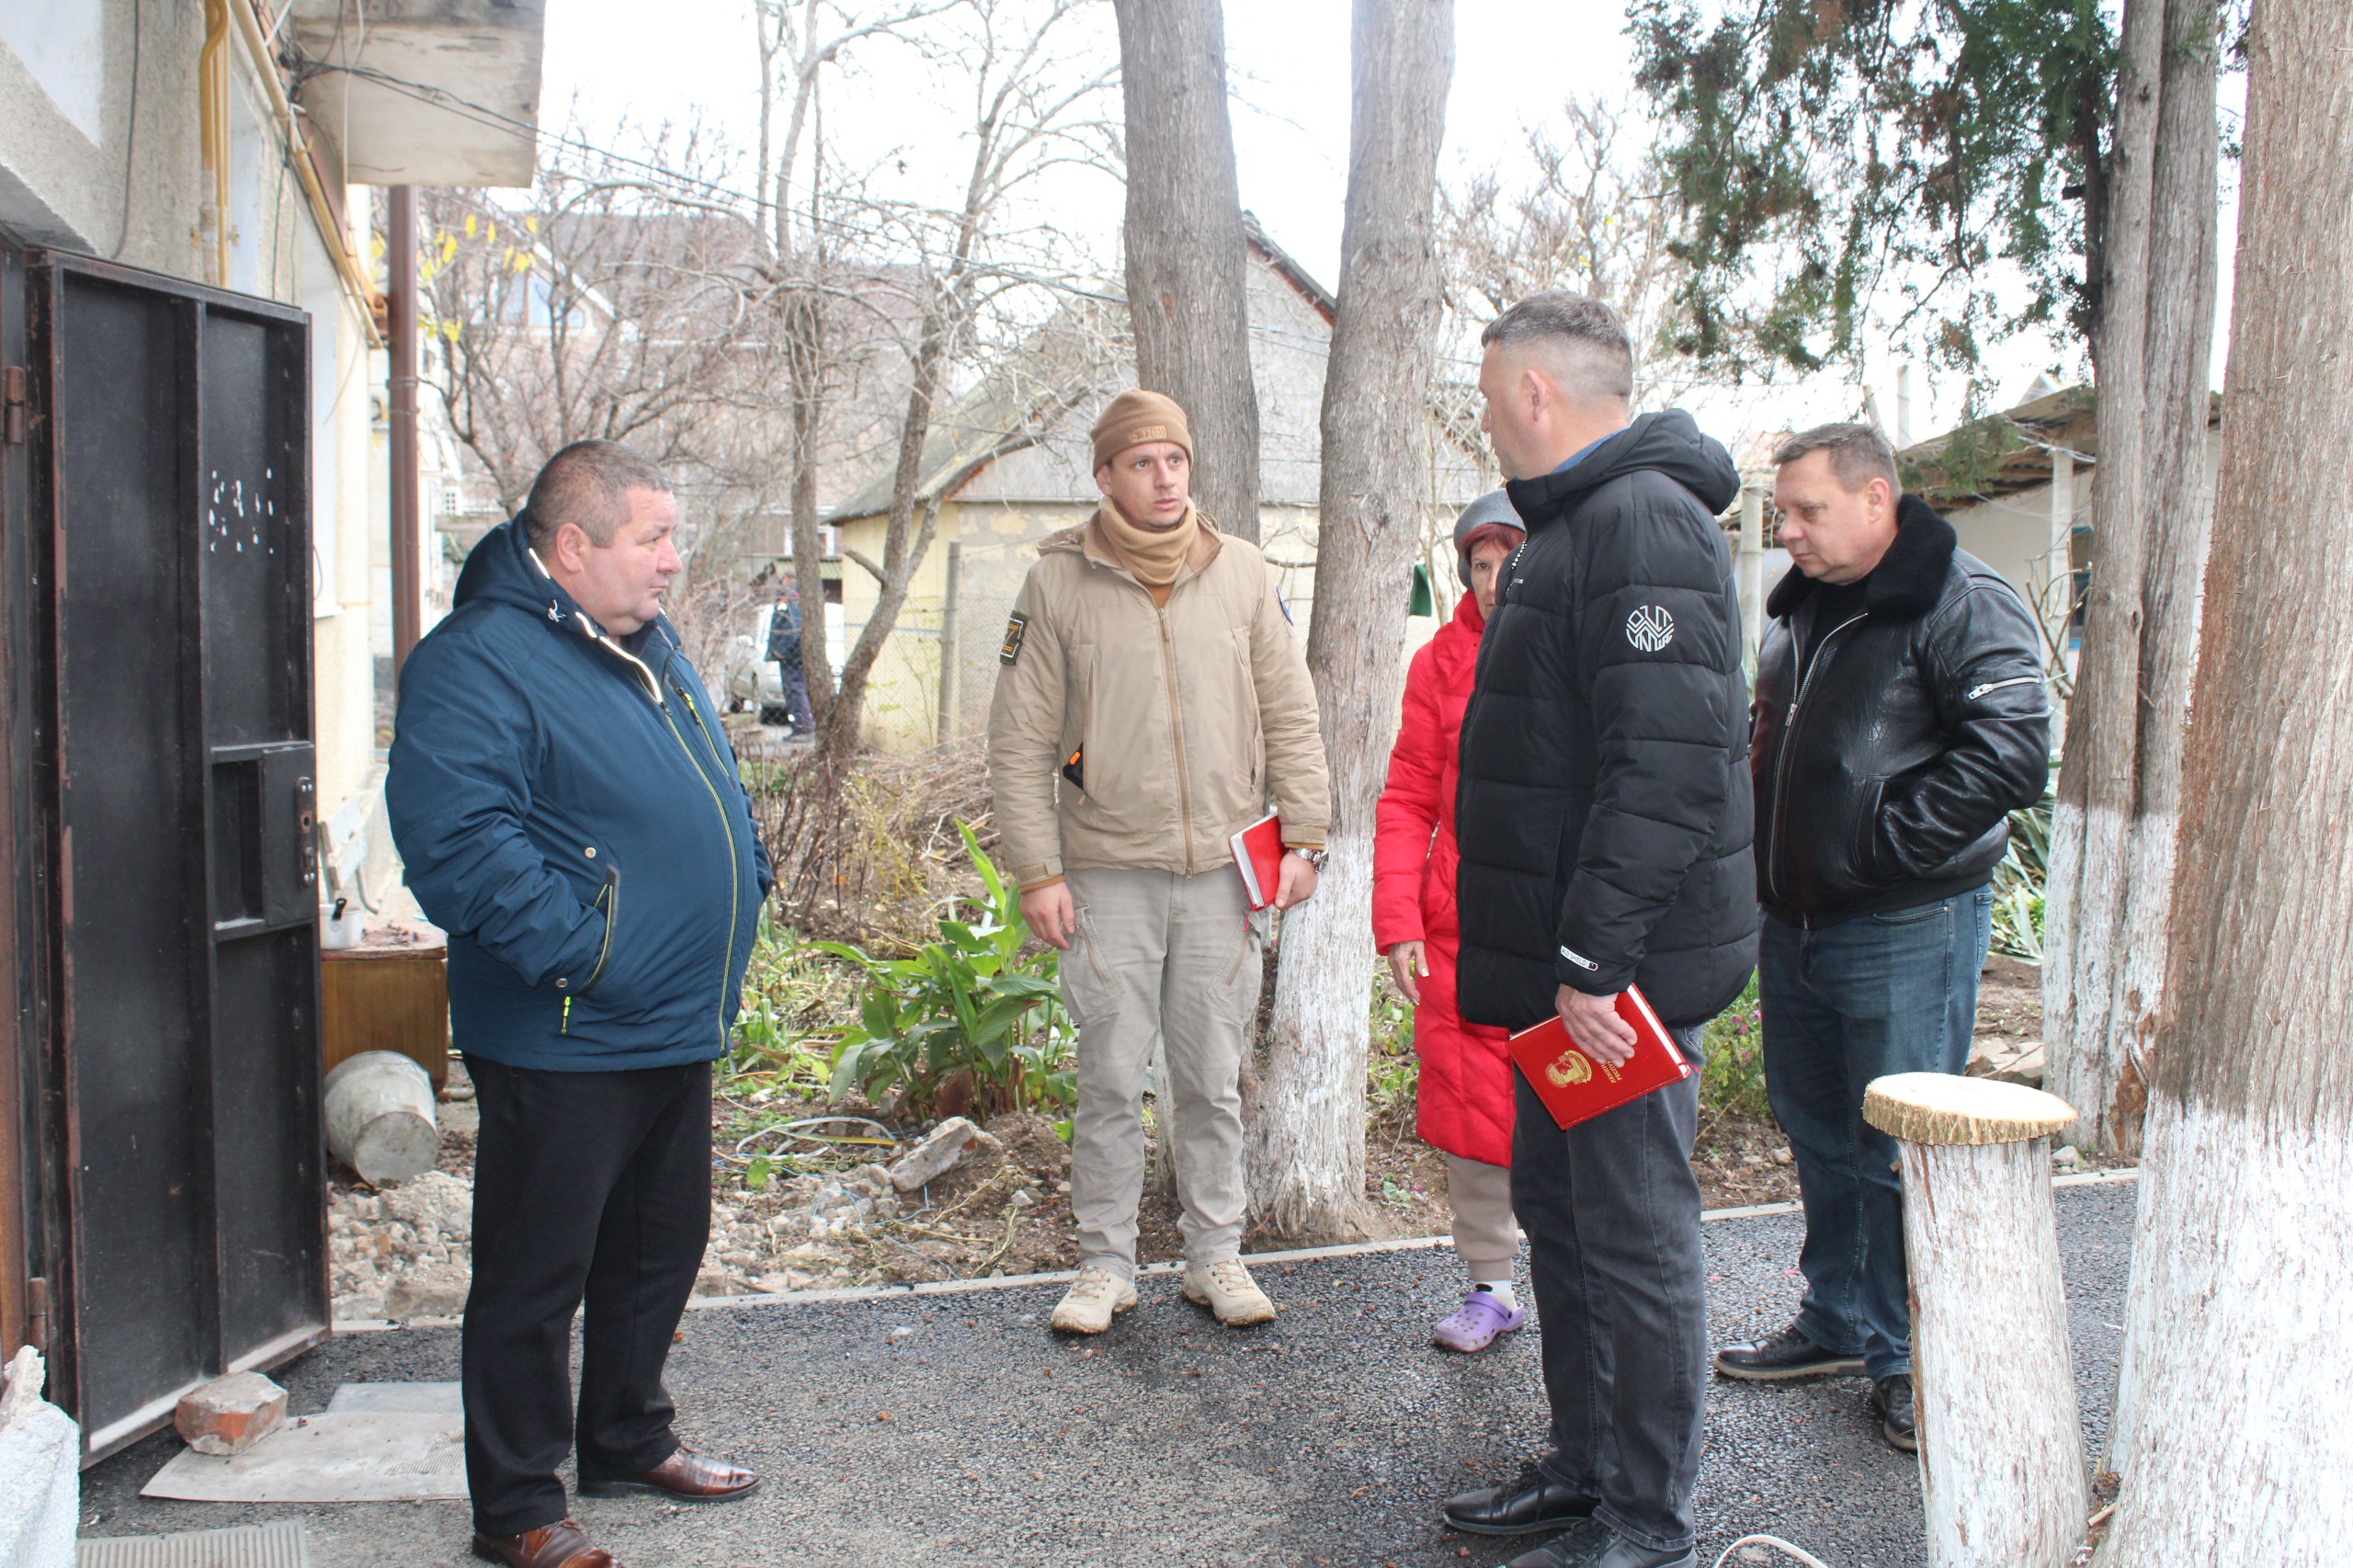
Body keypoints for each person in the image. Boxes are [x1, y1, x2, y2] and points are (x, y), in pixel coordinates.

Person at [388, 440, 772, 1568]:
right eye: (650, 537)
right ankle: (514, 1506)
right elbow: (455, 839)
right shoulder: (478, 660)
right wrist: (585, 950)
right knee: (534, 1271)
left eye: (669, 535)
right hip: (566, 1026)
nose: (670, 559)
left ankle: (624, 1435)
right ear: (570, 547)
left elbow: (709, 780)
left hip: (669, 1016)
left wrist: (743, 862)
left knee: (659, 1246)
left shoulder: (644, 641)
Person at [1442, 293, 1756, 1568]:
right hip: (1560, 973)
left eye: (1487, 395)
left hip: (1608, 979)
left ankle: (1650, 1517)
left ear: (1532, 395)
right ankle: (1586, 1466)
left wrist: (1592, 961)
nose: (1488, 416)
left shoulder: (1644, 524)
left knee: (1634, 1237)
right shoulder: (1574, 527)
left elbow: (1670, 768)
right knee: (1563, 1222)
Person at [1714, 423, 2049, 1452]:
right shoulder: (1805, 605)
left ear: (1875, 499)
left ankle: (1912, 1359)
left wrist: (1878, 845)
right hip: (1800, 918)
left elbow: (2012, 753)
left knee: (1898, 1147)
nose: (1788, 528)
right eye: (1782, 510)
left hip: (1901, 918)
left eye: (1807, 509)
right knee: (1816, 1127)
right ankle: (1837, 1319)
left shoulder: (1961, 599)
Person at [986, 388, 1330, 1335]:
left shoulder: (1244, 574)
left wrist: (1303, 833)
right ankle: (1104, 1266)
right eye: (1141, 462)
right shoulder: (1056, 583)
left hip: (1222, 872)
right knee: (1107, 1077)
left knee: (1211, 1078)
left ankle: (1213, 1254)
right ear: (1105, 477)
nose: (1163, 476)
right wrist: (1037, 870)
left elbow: (1291, 710)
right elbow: (1018, 741)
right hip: (1104, 873)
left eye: (1173, 459)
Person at [1372, 489, 1531, 1353]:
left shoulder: (1579, 645)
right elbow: (1405, 799)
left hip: (1558, 929)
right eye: (1480, 562)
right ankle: (1492, 1286)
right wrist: (1399, 921)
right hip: (1458, 928)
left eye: (1512, 557)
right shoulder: (1438, 662)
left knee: (1580, 1116)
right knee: (1475, 1119)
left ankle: (1595, 1287)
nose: (1496, 578)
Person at [764, 577, 816, 734]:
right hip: (798, 655)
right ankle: (802, 725)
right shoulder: (801, 598)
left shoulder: (789, 600)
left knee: (795, 691)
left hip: (792, 657)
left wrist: (781, 651)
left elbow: (791, 629)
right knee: (797, 690)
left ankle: (802, 727)